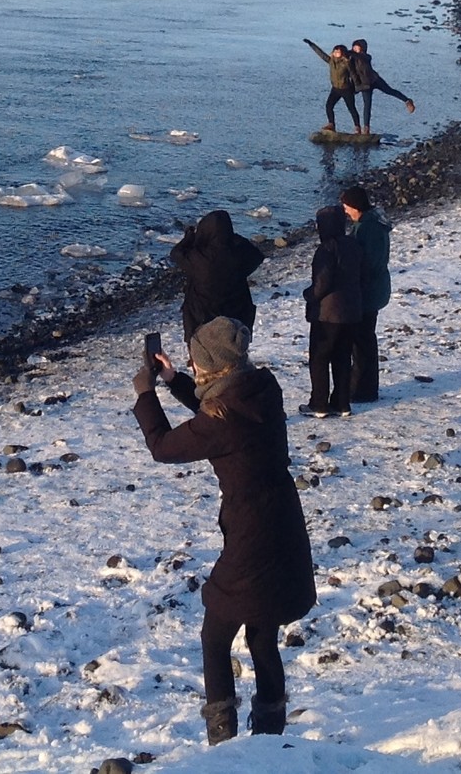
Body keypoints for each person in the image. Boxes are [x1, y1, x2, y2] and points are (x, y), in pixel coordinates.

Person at [133, 317, 316, 743]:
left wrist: (145, 393)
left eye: (196, 364)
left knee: (215, 634)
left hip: (252, 532)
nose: (193, 369)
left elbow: (164, 447)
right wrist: (175, 379)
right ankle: (271, 732)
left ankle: (222, 739)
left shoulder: (224, 418)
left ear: (212, 367)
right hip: (283, 521)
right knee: (261, 631)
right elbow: (212, 408)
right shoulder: (260, 390)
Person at [302, 206, 363, 417]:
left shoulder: (327, 249)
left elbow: (322, 283)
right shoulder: (353, 245)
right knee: (343, 356)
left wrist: (309, 295)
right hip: (352, 310)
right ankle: (341, 403)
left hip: (328, 313)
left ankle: (318, 404)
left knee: (319, 357)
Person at [171, 209, 265, 343]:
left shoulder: (199, 258)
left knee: (205, 354)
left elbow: (176, 254)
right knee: (232, 355)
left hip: (202, 319)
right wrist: (233, 237)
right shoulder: (239, 256)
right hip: (236, 319)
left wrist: (189, 237)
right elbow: (257, 255)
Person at [340, 184, 390, 404]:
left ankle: (363, 389)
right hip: (375, 290)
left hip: (368, 293)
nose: (345, 211)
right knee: (365, 340)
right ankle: (365, 386)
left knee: (361, 342)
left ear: (355, 206)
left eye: (346, 207)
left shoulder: (368, 229)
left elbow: (367, 263)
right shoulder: (370, 224)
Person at [347, 39, 416, 131]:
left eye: (357, 46)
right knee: (367, 105)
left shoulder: (366, 57)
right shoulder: (351, 59)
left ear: (362, 48)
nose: (355, 48)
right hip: (364, 84)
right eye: (354, 47)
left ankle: (407, 101)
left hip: (375, 79)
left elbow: (361, 57)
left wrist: (349, 52)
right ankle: (366, 128)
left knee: (389, 91)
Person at [304, 38, 360, 135]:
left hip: (346, 89)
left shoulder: (346, 63)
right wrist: (311, 44)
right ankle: (331, 125)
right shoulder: (331, 61)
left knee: (351, 108)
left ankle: (357, 128)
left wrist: (356, 88)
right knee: (329, 106)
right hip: (335, 89)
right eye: (335, 51)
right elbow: (321, 54)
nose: (336, 52)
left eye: (338, 51)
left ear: (342, 53)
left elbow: (354, 75)